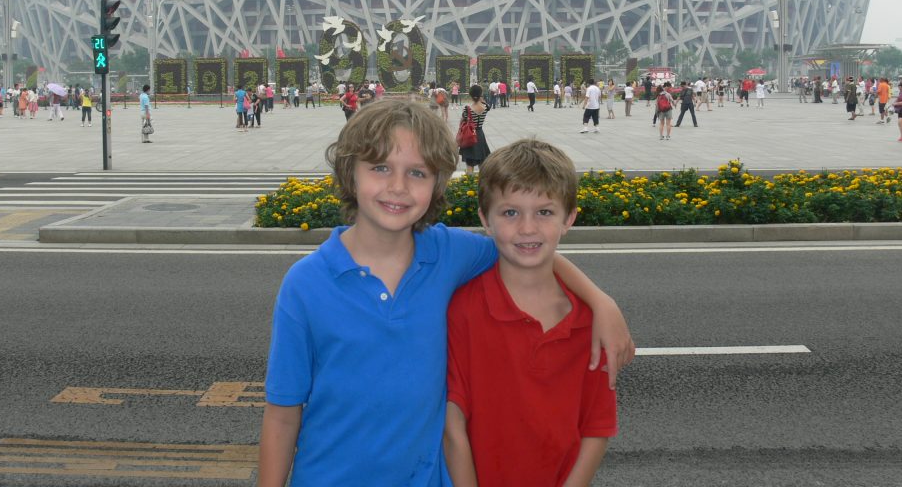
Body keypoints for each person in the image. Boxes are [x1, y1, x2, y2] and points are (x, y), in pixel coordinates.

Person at [257, 99, 633, 487]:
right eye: (380, 167)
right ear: (350, 173)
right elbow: (284, 414)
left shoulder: (449, 253)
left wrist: (600, 302)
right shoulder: (305, 284)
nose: (397, 187)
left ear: (437, 183)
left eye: (417, 172)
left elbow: (526, 249)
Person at [444, 139, 617, 487]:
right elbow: (452, 425)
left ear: (569, 218)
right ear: (485, 219)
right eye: (510, 212)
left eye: (544, 212)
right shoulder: (463, 309)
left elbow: (597, 426)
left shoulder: (590, 322)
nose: (527, 228)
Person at [459, 84, 491, 174]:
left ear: (471, 95)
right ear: (480, 94)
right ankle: (483, 183)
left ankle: (470, 183)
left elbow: (462, 122)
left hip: (470, 135)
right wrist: (481, 99)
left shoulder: (467, 109)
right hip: (480, 135)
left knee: (470, 163)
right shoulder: (486, 107)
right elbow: (485, 103)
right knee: (482, 161)